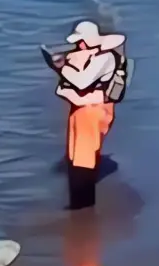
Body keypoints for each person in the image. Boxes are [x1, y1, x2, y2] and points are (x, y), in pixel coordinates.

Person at [50, 20, 129, 211]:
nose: (78, 45)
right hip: (82, 108)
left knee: (83, 160)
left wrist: (61, 67)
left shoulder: (105, 58)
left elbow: (83, 81)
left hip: (93, 110)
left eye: (80, 41)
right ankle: (79, 200)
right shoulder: (92, 54)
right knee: (76, 157)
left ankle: (82, 205)